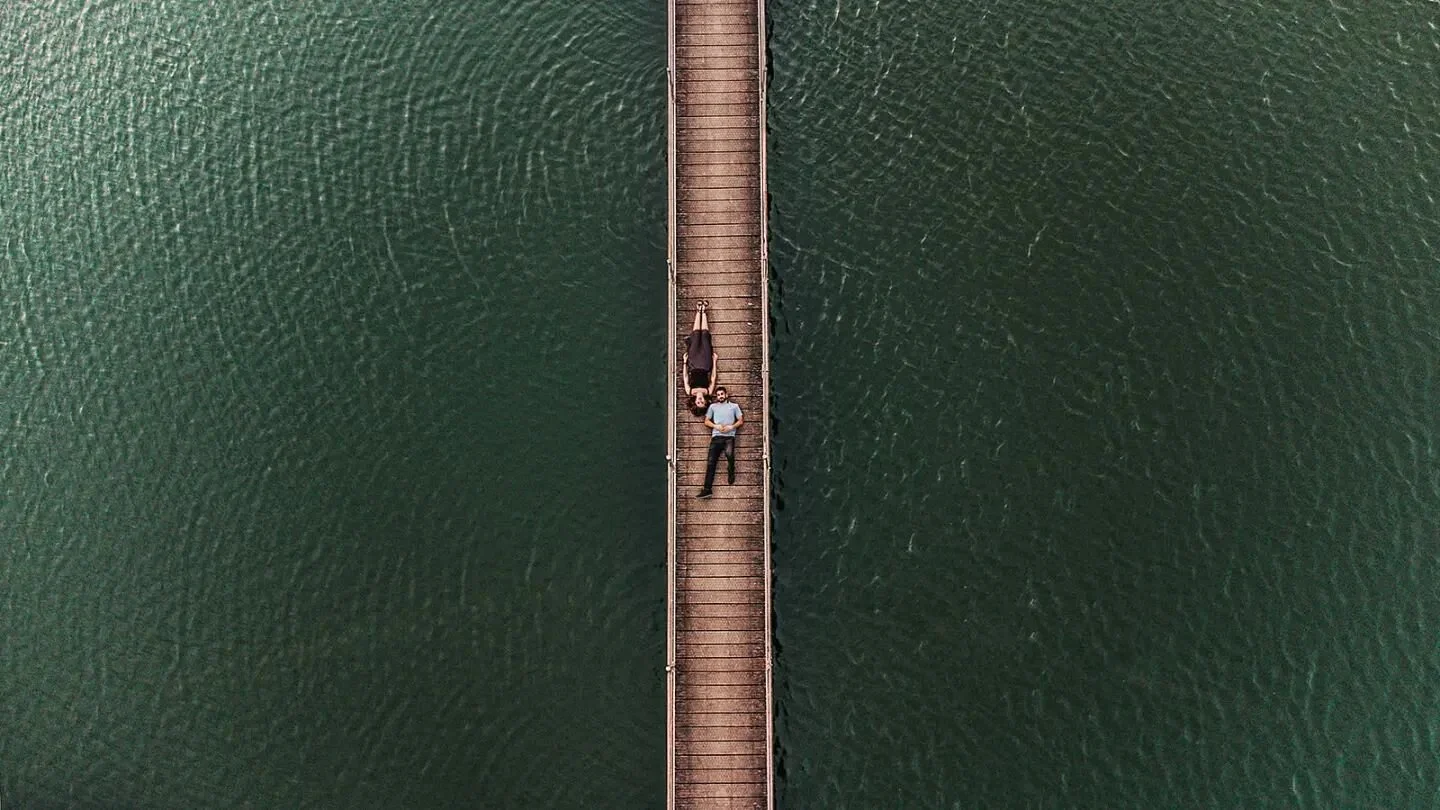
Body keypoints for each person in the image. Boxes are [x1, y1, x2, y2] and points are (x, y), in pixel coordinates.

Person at [697, 386, 743, 499]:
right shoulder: (713, 407)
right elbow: (706, 421)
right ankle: (707, 489)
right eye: (718, 395)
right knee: (711, 463)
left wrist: (731, 427)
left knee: (730, 456)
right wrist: (715, 426)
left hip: (729, 437)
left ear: (726, 394)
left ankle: (731, 470)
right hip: (716, 437)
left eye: (722, 394)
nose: (720, 397)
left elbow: (741, 421)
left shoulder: (734, 406)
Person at [680, 300, 719, 416]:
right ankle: (704, 312)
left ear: (695, 401)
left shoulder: (690, 391)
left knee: (696, 336)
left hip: (693, 364)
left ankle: (698, 311)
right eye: (702, 402)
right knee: (705, 336)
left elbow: (685, 377)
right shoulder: (708, 391)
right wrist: (714, 361)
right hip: (706, 364)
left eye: (698, 402)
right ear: (706, 402)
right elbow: (713, 377)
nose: (700, 400)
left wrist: (684, 362)